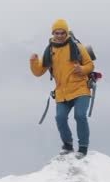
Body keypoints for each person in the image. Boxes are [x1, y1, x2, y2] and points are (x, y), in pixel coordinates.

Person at [30, 19, 94, 158]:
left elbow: (90, 65)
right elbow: (38, 72)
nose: (59, 35)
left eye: (62, 32)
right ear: (53, 33)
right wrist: (34, 61)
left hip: (80, 89)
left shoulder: (77, 47)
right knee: (60, 118)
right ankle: (68, 145)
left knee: (80, 116)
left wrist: (82, 69)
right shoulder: (50, 50)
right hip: (62, 92)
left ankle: (83, 147)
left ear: (66, 32)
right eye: (56, 33)